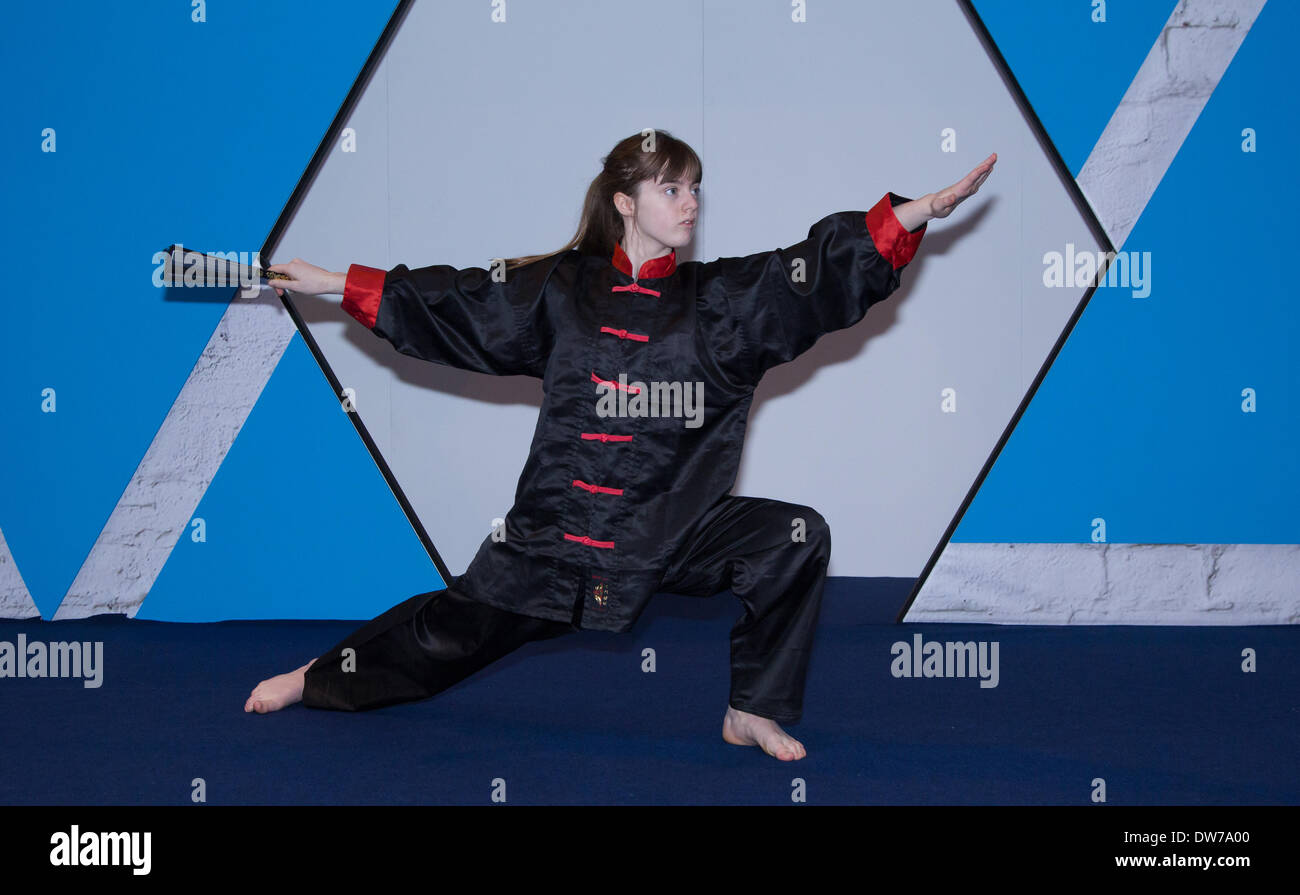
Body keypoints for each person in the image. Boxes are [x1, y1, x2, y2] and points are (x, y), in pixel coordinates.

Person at [245, 129, 996, 762]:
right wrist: (333, 280)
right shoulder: (560, 289)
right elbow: (456, 303)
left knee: (792, 538)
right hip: (557, 538)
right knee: (449, 633)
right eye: (672, 188)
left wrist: (910, 215)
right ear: (625, 203)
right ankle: (318, 676)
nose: (691, 202)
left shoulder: (721, 301)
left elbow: (809, 278)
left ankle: (751, 708)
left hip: (668, 526)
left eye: (696, 187)